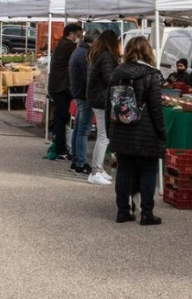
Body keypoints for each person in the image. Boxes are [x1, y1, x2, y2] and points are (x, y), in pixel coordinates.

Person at [107, 36, 166, 226]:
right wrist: (161, 133)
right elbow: (156, 108)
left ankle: (123, 211)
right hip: (146, 130)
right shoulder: (152, 75)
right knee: (148, 171)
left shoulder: (117, 72)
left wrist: (110, 131)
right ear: (148, 51)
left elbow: (110, 103)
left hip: (121, 128)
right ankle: (147, 213)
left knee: (124, 170)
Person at [85, 30, 121, 186]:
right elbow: (109, 78)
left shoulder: (100, 54)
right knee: (103, 136)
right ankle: (95, 171)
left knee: (104, 135)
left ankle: (99, 169)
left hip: (98, 98)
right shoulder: (106, 56)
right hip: (102, 100)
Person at [45, 23, 81, 161]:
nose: (79, 38)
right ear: (70, 34)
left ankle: (59, 145)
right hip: (61, 87)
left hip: (58, 86)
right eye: (78, 35)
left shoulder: (63, 44)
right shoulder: (68, 46)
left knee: (61, 118)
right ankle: (60, 148)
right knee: (61, 118)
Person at [68, 31, 93, 175]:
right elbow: (88, 77)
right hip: (84, 95)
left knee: (78, 128)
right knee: (83, 130)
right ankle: (80, 163)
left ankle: (76, 160)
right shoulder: (85, 54)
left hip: (78, 93)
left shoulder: (78, 51)